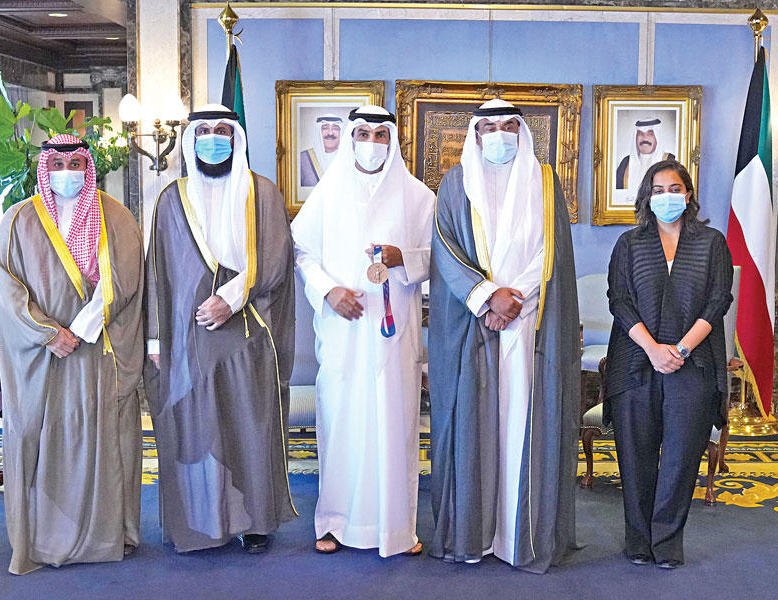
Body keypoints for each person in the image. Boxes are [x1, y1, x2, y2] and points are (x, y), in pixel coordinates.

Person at [428, 99, 580, 573]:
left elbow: (551, 252)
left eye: (508, 125)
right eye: (489, 126)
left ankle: (519, 537)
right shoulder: (454, 184)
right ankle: (474, 534)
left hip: (529, 323)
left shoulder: (546, 182)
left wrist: (515, 299)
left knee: (521, 424)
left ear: (521, 131)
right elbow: (445, 249)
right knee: (475, 425)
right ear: (475, 134)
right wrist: (488, 297)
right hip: (473, 322)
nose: (499, 134)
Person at [145, 104, 296, 554]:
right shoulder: (171, 198)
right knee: (197, 427)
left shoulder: (262, 192)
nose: (213, 139)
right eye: (204, 131)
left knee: (249, 425)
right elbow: (157, 272)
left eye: (222, 131)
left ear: (236, 138)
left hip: (247, 333)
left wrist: (230, 300)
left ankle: (254, 522)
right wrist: (155, 339)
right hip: (187, 336)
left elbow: (275, 259)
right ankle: (202, 522)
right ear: (191, 139)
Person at [0, 133, 144, 574]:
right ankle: (41, 540)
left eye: (75, 164)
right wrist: (46, 333)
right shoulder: (17, 220)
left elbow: (126, 279)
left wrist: (79, 328)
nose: (66, 173)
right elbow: (6, 288)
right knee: (40, 437)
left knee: (102, 439)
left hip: (98, 353)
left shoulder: (115, 216)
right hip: (41, 359)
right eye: (57, 165)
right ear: (45, 169)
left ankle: (105, 537)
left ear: (87, 167)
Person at [292, 105, 434, 557]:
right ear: (351, 138)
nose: (372, 143)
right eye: (364, 134)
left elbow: (435, 258)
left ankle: (396, 529)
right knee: (342, 422)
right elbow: (302, 252)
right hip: (344, 329)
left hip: (394, 334)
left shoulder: (417, 196)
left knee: (395, 424)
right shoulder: (327, 192)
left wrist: (403, 258)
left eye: (380, 135)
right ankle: (335, 523)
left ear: (392, 140)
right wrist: (329, 290)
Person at [605, 159, 733, 568]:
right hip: (635, 363)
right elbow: (619, 301)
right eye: (657, 190)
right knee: (635, 457)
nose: (666, 196)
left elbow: (718, 300)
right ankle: (638, 541)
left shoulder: (711, 243)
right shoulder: (629, 244)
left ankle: (667, 543)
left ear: (688, 194)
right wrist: (653, 349)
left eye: (674, 188)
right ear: (647, 197)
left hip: (692, 365)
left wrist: (680, 350)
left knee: (680, 459)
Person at [616, 117, 675, 191]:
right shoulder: (626, 162)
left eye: (650, 134)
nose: (645, 139)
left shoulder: (670, 161)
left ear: (657, 137)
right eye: (640, 134)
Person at [300, 115, 343, 186]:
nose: (330, 133)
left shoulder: (349, 159)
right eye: (325, 128)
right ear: (318, 132)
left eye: (335, 128)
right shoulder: (302, 159)